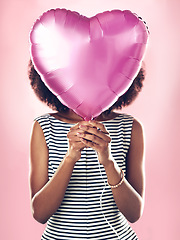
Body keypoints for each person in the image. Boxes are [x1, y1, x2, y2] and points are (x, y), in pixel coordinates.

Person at [28, 59, 145, 240]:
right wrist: (70, 157)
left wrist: (108, 162)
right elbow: (40, 213)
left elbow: (134, 213)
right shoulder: (44, 126)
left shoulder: (130, 127)